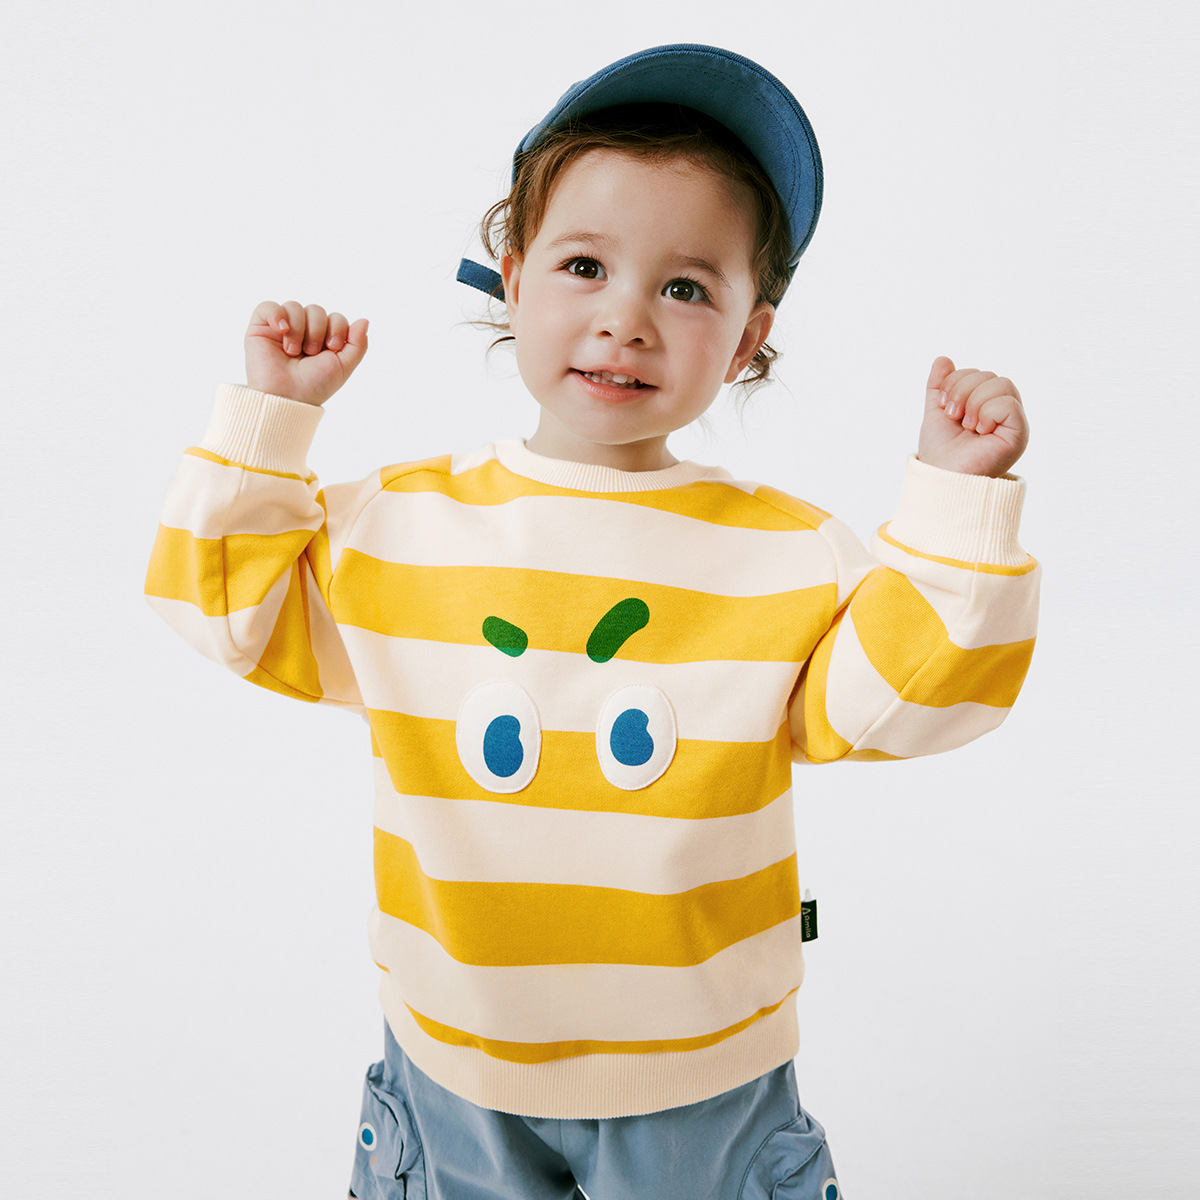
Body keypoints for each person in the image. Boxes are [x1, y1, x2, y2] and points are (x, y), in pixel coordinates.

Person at [145, 44, 1038, 1200]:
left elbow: (913, 705)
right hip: (454, 1062)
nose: (626, 320)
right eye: (584, 266)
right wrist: (269, 421)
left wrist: (956, 502)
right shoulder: (399, 527)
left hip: (700, 1075)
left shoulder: (786, 556)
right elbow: (221, 607)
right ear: (513, 280)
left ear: (749, 336)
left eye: (686, 288)